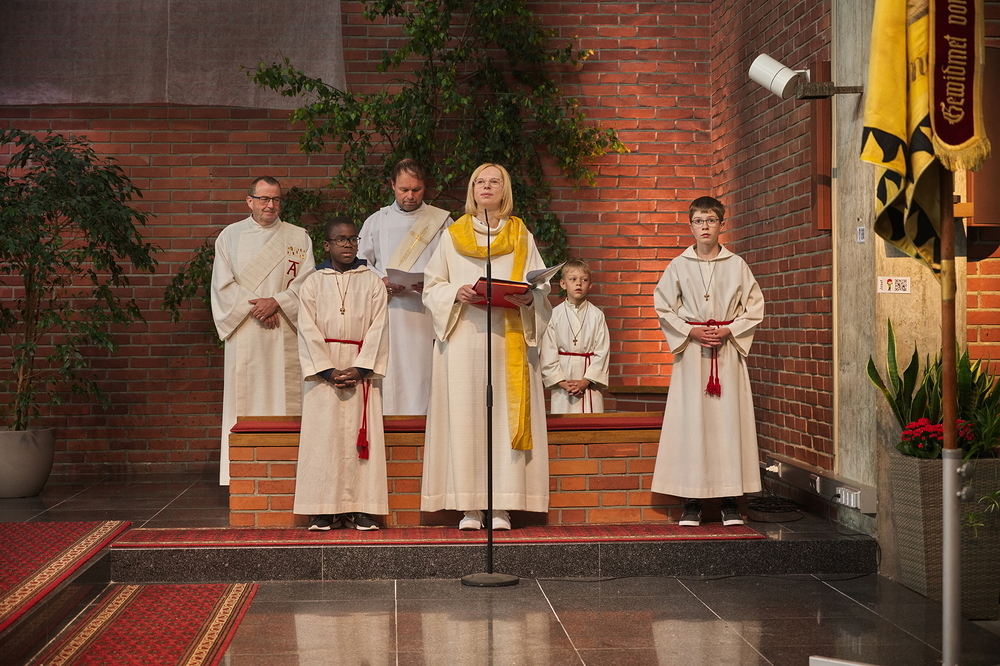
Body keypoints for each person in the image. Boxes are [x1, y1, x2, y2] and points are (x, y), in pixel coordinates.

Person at [420, 163, 553, 530]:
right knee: (467, 418)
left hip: (508, 338)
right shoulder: (453, 235)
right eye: (480, 181)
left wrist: (531, 298)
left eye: (495, 181)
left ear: (504, 189)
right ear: (472, 190)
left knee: (503, 420)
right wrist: (455, 292)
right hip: (465, 339)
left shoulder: (520, 234)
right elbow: (432, 286)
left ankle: (502, 506)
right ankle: (470, 506)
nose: (487, 186)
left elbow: (541, 286)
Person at [650, 196, 765, 526]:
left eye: (711, 221)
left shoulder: (737, 265)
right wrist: (691, 331)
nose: (705, 227)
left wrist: (729, 330)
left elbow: (755, 307)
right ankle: (692, 501)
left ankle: (730, 500)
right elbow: (663, 307)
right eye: (699, 221)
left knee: (728, 424)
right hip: (692, 356)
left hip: (726, 354)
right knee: (692, 425)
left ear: (721, 225)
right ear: (691, 226)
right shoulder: (678, 265)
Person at [211, 176, 315, 485]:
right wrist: (260, 307)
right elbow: (222, 286)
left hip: (285, 329)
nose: (270, 205)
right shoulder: (229, 237)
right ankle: (242, 477)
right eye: (264, 199)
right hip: (246, 332)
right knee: (245, 400)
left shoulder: (298, 237)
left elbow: (308, 284)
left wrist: (277, 302)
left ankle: (290, 475)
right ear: (250, 201)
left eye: (276, 199)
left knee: (287, 398)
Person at [292, 218, 390, 531]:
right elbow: (306, 328)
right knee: (324, 442)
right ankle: (322, 510)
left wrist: (360, 369)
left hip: (360, 368)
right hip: (325, 372)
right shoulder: (313, 282)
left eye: (352, 239)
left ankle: (362, 509)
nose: (347, 244)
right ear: (327, 245)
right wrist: (327, 370)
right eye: (340, 239)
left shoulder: (372, 281)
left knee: (360, 446)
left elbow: (379, 327)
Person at [357, 158, 452, 415]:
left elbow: (453, 264)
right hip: (389, 310)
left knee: (423, 372)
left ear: (425, 186)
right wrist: (381, 280)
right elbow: (361, 263)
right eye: (404, 189)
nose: (410, 196)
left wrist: (434, 282)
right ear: (392, 185)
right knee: (393, 372)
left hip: (426, 312)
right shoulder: (376, 221)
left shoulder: (441, 221)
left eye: (416, 189)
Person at [540, 259, 611, 413]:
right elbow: (547, 351)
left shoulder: (597, 315)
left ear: (590, 285)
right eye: (573, 279)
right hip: (563, 380)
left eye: (584, 280)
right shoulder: (554, 315)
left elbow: (602, 352)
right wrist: (561, 381)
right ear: (563, 284)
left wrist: (586, 381)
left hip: (589, 380)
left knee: (591, 423)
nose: (578, 283)